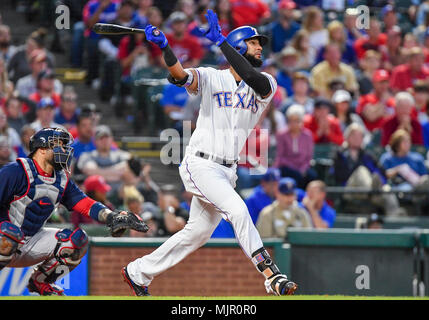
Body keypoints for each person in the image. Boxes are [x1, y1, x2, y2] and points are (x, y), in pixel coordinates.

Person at [122, 10, 298, 297]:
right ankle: (271, 275)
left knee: (198, 234)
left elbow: (254, 77)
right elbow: (179, 75)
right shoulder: (211, 77)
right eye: (254, 43)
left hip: (228, 171)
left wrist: (221, 42)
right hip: (201, 163)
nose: (260, 48)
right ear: (240, 46)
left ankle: (137, 272)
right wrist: (166, 48)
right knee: (238, 210)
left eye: (260, 44)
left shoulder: (265, 83)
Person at [0, 127, 147, 295]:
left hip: (30, 241)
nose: (64, 150)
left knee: (77, 241)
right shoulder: (16, 171)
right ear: (41, 149)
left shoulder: (61, 178)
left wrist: (111, 216)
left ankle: (40, 282)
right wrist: (4, 226)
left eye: (64, 145)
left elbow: (83, 202)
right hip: (5, 237)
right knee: (9, 234)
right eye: (58, 145)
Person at [331, 123, 405, 216]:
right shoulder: (340, 155)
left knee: (387, 190)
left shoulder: (367, 156)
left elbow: (381, 172)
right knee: (361, 170)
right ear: (347, 137)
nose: (357, 139)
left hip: (373, 191)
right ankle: (372, 190)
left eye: (360, 136)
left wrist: (380, 182)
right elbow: (338, 175)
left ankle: (395, 218)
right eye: (354, 136)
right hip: (350, 189)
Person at [275, 104, 315, 188]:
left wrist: (303, 168)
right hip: (287, 167)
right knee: (295, 176)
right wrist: (294, 167)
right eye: (291, 121)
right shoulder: (282, 135)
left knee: (312, 176)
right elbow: (280, 156)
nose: (294, 124)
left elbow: (308, 156)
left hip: (302, 167)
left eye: (297, 121)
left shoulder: (307, 135)